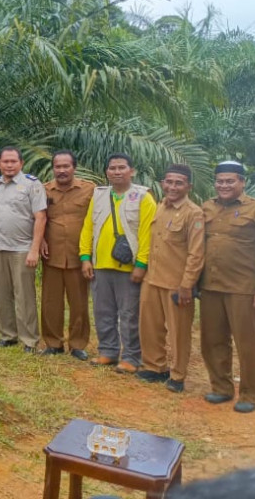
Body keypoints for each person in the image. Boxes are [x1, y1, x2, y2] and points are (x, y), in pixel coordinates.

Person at [200, 160, 255, 413]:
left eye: (230, 181)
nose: (224, 185)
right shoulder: (206, 207)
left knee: (247, 344)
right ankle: (221, 388)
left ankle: (249, 393)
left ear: (242, 182)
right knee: (212, 340)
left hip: (243, 288)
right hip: (211, 287)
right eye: (220, 181)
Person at [79, 153, 156, 374]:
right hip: (100, 265)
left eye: (122, 167)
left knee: (129, 314)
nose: (117, 172)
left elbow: (148, 233)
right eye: (112, 168)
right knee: (103, 311)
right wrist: (85, 257)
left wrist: (141, 264)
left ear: (132, 171)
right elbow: (88, 227)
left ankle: (132, 357)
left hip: (129, 267)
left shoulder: (143, 197)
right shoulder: (99, 195)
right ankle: (108, 351)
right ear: (107, 172)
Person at [138, 164, 205, 392]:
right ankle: (155, 367)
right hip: (152, 279)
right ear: (162, 183)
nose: (173, 187)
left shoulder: (193, 213)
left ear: (188, 186)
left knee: (179, 333)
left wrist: (187, 285)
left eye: (179, 183)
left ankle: (177, 375)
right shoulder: (160, 206)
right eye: (169, 182)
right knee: (149, 327)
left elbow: (196, 253)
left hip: (176, 284)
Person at [0, 147, 47, 352]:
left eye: (13, 161)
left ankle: (29, 339)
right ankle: (8, 335)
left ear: (21, 163)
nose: (9, 165)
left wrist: (34, 249)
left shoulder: (32, 184)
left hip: (22, 248)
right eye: (5, 161)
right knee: (1, 294)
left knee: (24, 296)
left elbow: (41, 217)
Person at [39, 150, 96, 360]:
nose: (62, 170)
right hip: (51, 255)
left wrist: (90, 253)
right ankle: (53, 343)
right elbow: (37, 218)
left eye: (66, 166)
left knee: (79, 303)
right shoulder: (43, 190)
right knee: (50, 303)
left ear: (74, 167)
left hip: (78, 256)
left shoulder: (89, 190)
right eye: (58, 166)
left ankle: (77, 344)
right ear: (53, 168)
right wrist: (41, 240)